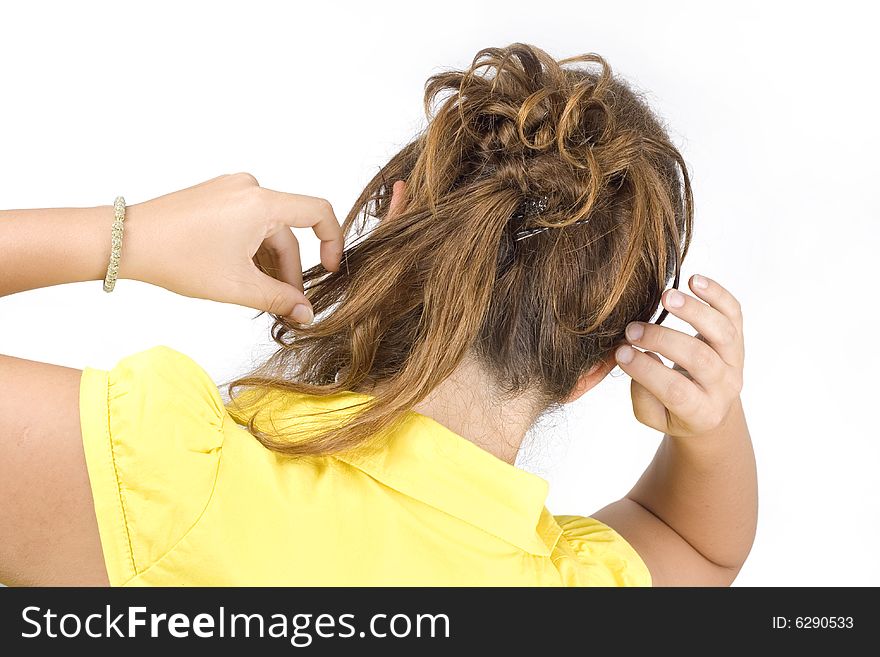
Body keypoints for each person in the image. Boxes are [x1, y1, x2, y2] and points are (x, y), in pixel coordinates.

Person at [0, 43, 756, 587]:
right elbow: (703, 545)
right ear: (591, 371)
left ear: (394, 224)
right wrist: (711, 425)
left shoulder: (173, 480)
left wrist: (125, 236)